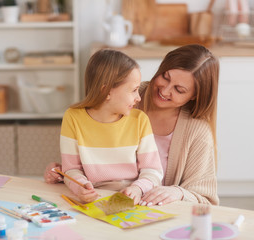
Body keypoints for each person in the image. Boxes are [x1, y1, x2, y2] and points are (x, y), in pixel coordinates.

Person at [45, 44, 220, 206]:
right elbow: (81, 161)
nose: (165, 90)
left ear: (194, 96)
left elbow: (206, 200)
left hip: (150, 210)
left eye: (179, 90)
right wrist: (62, 173)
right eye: (165, 77)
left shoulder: (197, 131)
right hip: (100, 202)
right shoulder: (123, 96)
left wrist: (178, 193)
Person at [60, 49, 163, 203]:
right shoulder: (73, 118)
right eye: (134, 90)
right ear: (106, 91)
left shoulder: (140, 120)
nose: (138, 98)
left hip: (134, 199)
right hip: (94, 198)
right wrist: (80, 186)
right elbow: (71, 169)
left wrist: (137, 188)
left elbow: (153, 171)